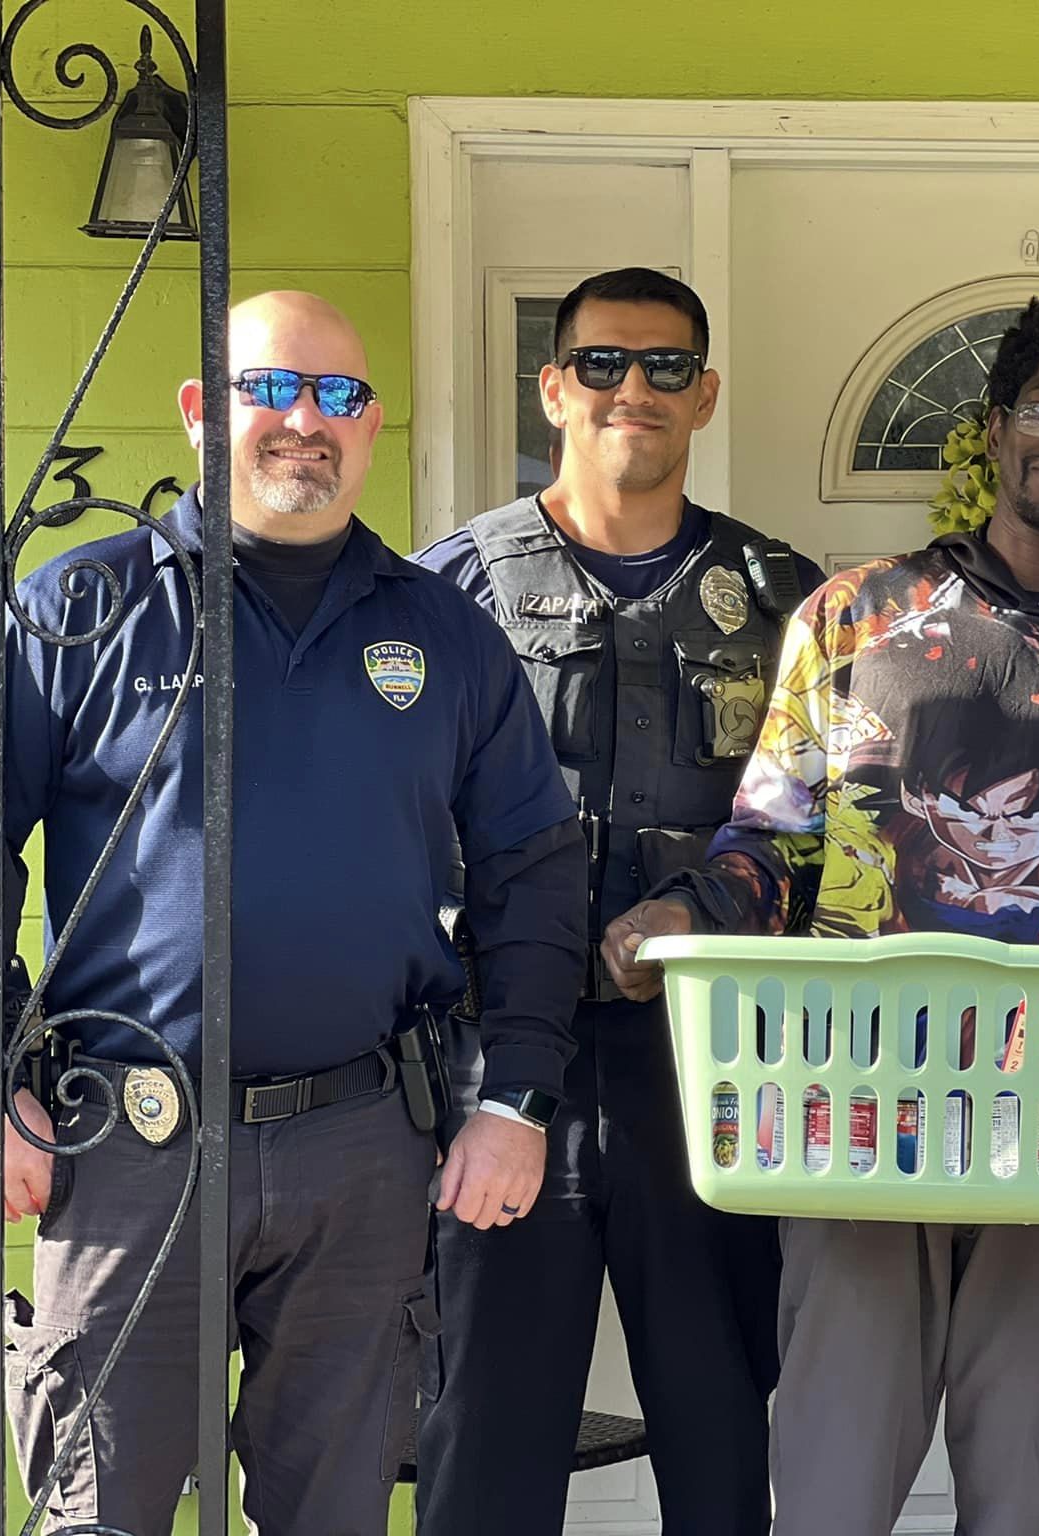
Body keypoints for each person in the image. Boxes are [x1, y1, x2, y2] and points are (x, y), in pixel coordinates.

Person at [604, 283, 1039, 1536]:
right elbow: (773, 838)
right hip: (856, 1113)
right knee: (828, 1498)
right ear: (992, 429)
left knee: (1020, 1501)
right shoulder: (858, 616)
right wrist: (682, 914)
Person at [0, 291, 585, 1534]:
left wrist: (516, 1097)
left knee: (335, 1511)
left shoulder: (445, 634)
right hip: (127, 1143)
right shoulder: (82, 608)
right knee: (100, 1511)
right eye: (268, 388)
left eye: (338, 395)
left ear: (370, 424)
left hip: (361, 1149)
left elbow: (532, 868)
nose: (303, 421)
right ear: (199, 411)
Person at [412, 267, 819, 1536]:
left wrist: (704, 907)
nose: (629, 389)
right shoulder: (449, 591)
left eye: (662, 366)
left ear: (705, 394)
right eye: (599, 363)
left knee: (716, 1415)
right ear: (552, 388)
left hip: (711, 1066)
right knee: (484, 1420)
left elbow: (825, 825)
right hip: (494, 1055)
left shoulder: (782, 598)